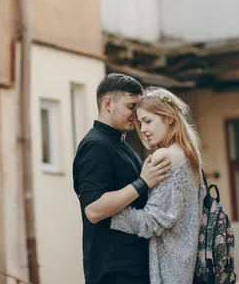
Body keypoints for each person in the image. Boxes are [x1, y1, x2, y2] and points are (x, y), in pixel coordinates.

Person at [73, 73, 172, 284]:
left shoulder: (120, 144)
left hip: (132, 268)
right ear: (108, 103)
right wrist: (142, 182)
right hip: (115, 271)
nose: (136, 115)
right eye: (131, 106)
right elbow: (93, 209)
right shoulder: (96, 146)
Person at [110, 86, 206, 284]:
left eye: (148, 121)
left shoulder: (164, 156)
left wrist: (107, 211)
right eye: (139, 123)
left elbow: (151, 222)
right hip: (185, 263)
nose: (143, 130)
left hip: (170, 268)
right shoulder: (189, 154)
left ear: (169, 118)